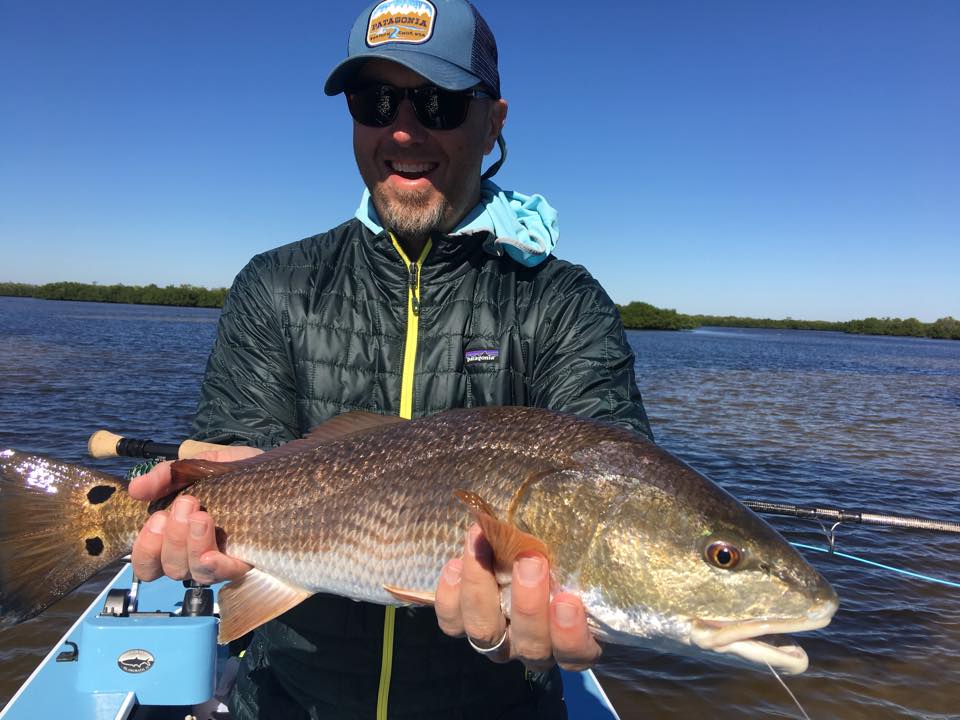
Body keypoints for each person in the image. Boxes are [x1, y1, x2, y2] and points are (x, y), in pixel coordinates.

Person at [129, 1, 652, 717]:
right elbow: (240, 447)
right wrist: (199, 511)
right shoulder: (275, 284)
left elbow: (617, 477)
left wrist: (547, 620)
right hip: (289, 697)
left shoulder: (562, 301)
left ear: (494, 120)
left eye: (437, 102)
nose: (403, 129)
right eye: (375, 100)